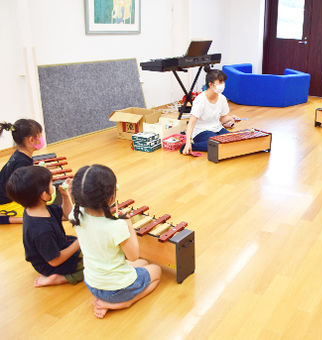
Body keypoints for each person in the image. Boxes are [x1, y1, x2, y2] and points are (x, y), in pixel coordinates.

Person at [70, 164, 161, 319]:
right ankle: (126, 302)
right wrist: (128, 225)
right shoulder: (115, 226)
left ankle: (107, 298)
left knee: (143, 263)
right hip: (117, 289)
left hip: (92, 283)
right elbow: (133, 256)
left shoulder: (75, 214)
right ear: (112, 197)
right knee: (156, 270)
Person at [6, 166, 82, 287]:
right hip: (52, 265)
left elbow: (67, 216)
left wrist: (65, 196)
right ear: (43, 195)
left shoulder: (36, 208)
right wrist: (80, 242)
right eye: (51, 184)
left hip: (58, 247)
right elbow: (55, 261)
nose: (54, 186)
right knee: (96, 265)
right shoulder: (41, 230)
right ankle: (62, 278)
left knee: (90, 249)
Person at [182, 70, 240, 154]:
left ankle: (214, 141)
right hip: (201, 131)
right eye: (220, 82)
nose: (223, 85)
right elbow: (191, 124)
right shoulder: (200, 100)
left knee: (234, 141)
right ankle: (192, 146)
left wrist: (231, 118)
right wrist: (187, 143)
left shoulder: (222, 98)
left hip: (218, 128)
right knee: (218, 144)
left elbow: (222, 119)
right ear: (210, 84)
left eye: (223, 82)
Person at [0, 119, 44, 224]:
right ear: (31, 140)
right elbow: (20, 191)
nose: (42, 139)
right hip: (5, 201)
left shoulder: (19, 154)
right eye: (40, 136)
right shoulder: (22, 163)